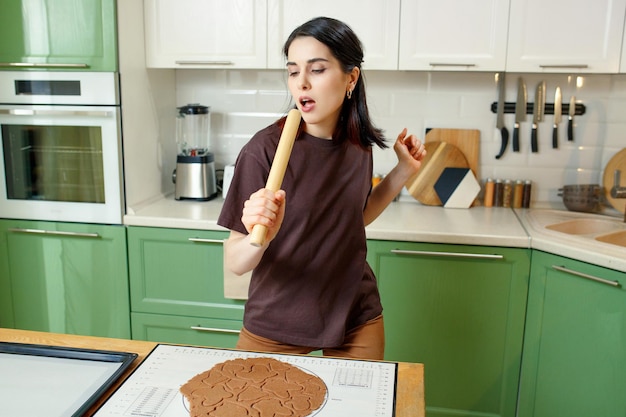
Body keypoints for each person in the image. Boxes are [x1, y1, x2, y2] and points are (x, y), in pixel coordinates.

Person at [217, 16, 426, 360]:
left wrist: (404, 170)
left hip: (355, 314)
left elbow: (355, 218)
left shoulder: (358, 143)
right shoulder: (263, 151)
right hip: (280, 319)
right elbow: (236, 262)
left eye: (316, 70)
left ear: (351, 77)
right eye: (293, 71)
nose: (302, 84)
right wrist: (262, 237)